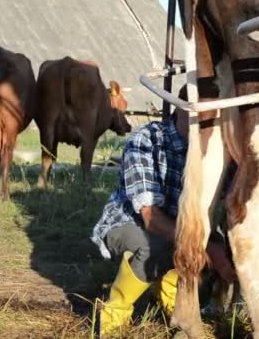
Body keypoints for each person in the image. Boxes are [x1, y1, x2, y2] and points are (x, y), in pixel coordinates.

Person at [90, 107, 236, 336]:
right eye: (205, 116)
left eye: (216, 118)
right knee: (154, 246)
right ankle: (114, 313)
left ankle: (169, 290)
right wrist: (206, 246)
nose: (211, 124)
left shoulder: (215, 149)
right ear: (181, 109)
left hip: (182, 228)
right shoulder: (146, 139)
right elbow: (150, 217)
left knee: (227, 248)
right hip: (129, 222)